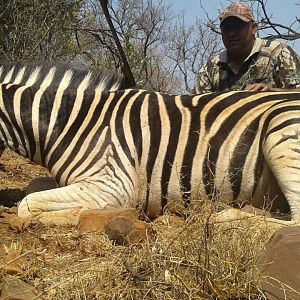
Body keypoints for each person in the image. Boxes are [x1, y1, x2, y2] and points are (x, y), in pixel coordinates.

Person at [195, 2, 300, 93]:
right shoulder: (210, 69)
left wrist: (272, 92)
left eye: (238, 26)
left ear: (253, 28)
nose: (232, 33)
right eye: (226, 28)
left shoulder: (279, 53)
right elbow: (198, 106)